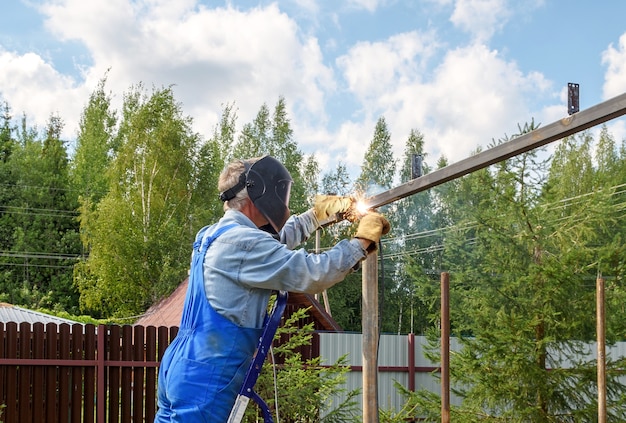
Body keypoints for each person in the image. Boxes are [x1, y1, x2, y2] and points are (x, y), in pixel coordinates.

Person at [154, 155, 390, 422]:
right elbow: (314, 273)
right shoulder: (241, 243)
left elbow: (270, 245)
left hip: (181, 366)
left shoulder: (213, 235)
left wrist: (316, 216)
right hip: (207, 376)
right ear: (260, 191)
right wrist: (361, 242)